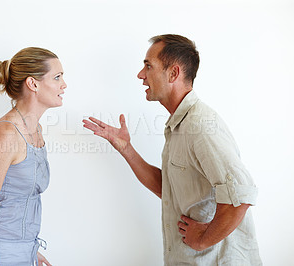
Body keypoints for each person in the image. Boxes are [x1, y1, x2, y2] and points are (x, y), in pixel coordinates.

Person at [83, 34, 262, 265]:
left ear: (173, 73)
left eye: (148, 66)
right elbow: (168, 189)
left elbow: (241, 195)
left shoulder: (200, 126)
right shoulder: (180, 125)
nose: (141, 74)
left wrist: (202, 240)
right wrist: (126, 149)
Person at [0, 47, 67, 266]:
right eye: (57, 77)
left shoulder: (35, 128)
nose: (64, 85)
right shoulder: (6, 134)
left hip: (21, 256)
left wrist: (29, 251)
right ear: (33, 84)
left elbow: (20, 201)